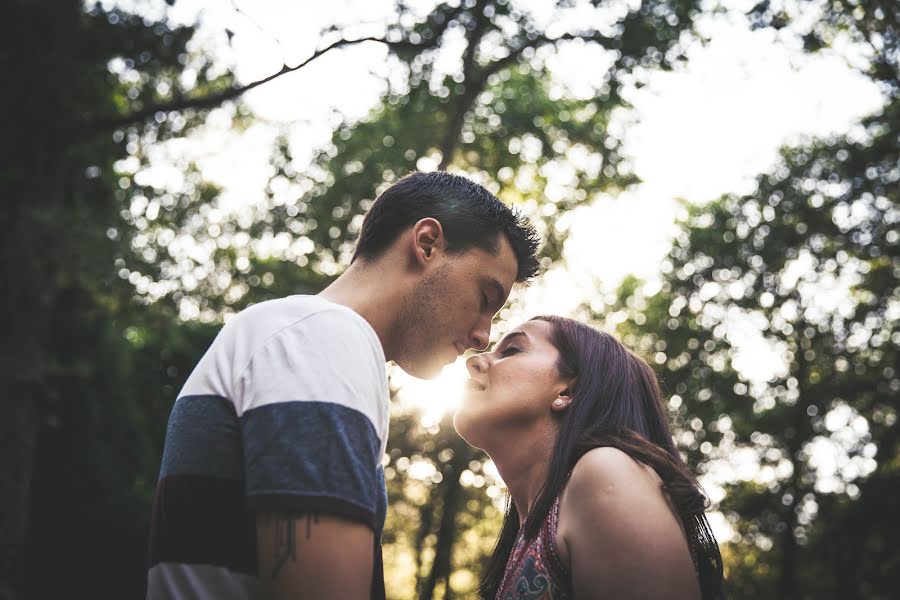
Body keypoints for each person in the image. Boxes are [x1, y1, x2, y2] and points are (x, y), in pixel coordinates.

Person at [147, 171, 540, 600]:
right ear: (427, 243)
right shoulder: (323, 336)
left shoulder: (298, 334)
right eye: (486, 299)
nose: (484, 336)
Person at [454, 316, 725, 600]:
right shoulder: (531, 531)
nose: (475, 361)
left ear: (566, 391)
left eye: (511, 350)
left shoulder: (607, 472)